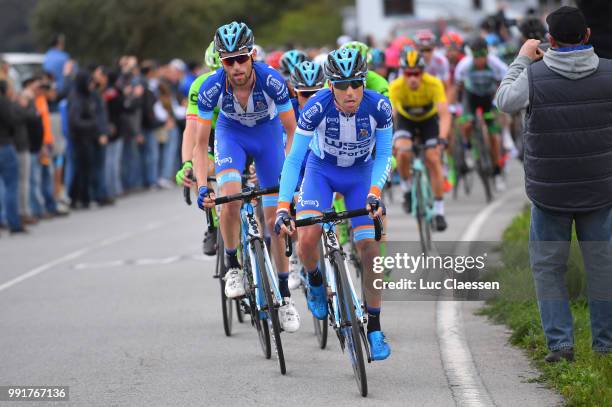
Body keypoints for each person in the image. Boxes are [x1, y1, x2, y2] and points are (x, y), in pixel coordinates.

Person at [495, 6, 612, 362]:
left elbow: (504, 101)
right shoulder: (609, 73)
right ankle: (606, 346)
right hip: (601, 189)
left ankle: (561, 346)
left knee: (549, 268)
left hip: (549, 193)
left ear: (550, 40)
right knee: (603, 266)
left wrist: (521, 60)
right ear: (587, 36)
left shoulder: (534, 75)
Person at [274, 48, 393, 360]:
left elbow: (384, 154)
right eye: (342, 86)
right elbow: (295, 158)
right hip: (321, 172)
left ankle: (376, 328)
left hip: (360, 175)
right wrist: (283, 206)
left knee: (370, 248)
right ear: (331, 86)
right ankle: (314, 279)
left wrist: (375, 192)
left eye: (356, 83)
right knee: (308, 236)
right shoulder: (316, 107)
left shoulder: (379, 105)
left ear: (364, 82)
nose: (350, 92)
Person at [194, 22, 300, 333]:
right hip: (232, 136)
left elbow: (292, 132)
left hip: (267, 136)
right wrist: (202, 187)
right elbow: (201, 145)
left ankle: (284, 295)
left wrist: (290, 184)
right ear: (221, 61)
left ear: (252, 55)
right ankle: (233, 266)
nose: (237, 67)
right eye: (229, 60)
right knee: (230, 196)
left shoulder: (272, 80)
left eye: (242, 58)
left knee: (274, 219)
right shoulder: (212, 87)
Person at [389, 49, 451, 231]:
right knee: (402, 152)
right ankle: (407, 189)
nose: (413, 78)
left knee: (433, 158)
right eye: (408, 73)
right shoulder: (396, 86)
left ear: (423, 72)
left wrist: (442, 138)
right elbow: (390, 117)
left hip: (428, 121)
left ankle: (439, 211)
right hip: (406, 120)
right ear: (403, 73)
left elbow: (445, 115)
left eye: (417, 73)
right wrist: (390, 141)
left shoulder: (434, 84)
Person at [176, 41, 222, 256]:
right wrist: (186, 164)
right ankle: (213, 225)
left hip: (243, 131)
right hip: (213, 132)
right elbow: (191, 131)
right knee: (200, 168)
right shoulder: (200, 85)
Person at [284, 60, 325, 290]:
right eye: (305, 94)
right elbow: (283, 151)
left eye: (316, 94)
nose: (310, 100)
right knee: (289, 210)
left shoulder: (332, 106)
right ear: (295, 92)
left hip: (322, 167)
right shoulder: (287, 110)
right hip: (297, 166)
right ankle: (294, 259)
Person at [454, 37, 508, 191]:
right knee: (466, 122)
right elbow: (459, 87)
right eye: (476, 56)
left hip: (489, 97)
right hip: (471, 97)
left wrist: (498, 104)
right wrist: (458, 107)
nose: (479, 60)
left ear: (487, 54)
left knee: (493, 136)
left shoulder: (496, 64)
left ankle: (497, 172)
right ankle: (468, 148)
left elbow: (504, 84)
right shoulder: (464, 65)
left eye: (482, 56)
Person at [67, 70, 109, 209]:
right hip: (80, 139)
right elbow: (75, 121)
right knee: (81, 170)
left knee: (87, 169)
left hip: (89, 138)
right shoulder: (77, 98)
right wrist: (93, 123)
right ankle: (80, 198)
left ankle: (84, 197)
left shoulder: (89, 96)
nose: (92, 85)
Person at [0, 78, 26, 233]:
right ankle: (13, 222)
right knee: (11, 186)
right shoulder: (4, 102)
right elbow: (13, 121)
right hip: (4, 145)